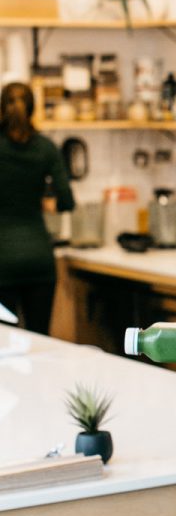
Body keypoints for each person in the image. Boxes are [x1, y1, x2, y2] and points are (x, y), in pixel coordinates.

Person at [0, 81, 75, 334]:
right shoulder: (46, 148)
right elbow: (66, 200)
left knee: (3, 348)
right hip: (39, 259)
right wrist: (41, 201)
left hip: (3, 262)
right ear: (33, 110)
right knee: (40, 342)